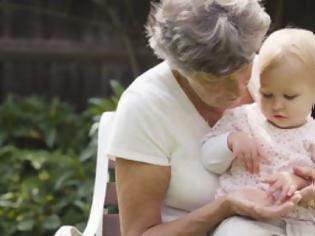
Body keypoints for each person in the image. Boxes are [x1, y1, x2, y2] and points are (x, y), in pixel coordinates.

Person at [106, 1, 300, 235]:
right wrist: (224, 207)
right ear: (180, 68)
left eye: (242, 68)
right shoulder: (146, 106)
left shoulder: (271, 73)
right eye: (214, 79)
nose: (237, 89)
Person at [201, 28, 315, 235]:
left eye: (289, 97)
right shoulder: (242, 119)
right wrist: (230, 141)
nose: (277, 105)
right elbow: (209, 159)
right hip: (247, 218)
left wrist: (300, 182)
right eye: (267, 94)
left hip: (302, 222)